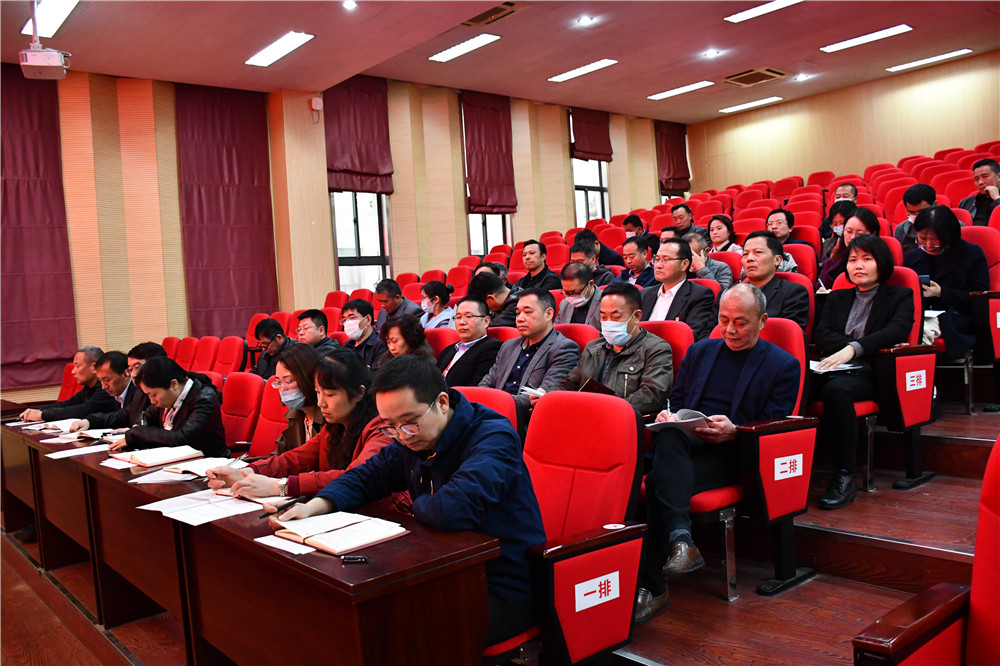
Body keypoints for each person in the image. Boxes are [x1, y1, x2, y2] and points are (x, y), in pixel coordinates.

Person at [268, 355, 546, 646]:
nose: (401, 435)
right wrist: (314, 506)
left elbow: (450, 510)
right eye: (390, 426)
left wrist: (417, 503)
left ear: (442, 403)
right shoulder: (412, 439)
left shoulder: (493, 437)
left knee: (393, 631)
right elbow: (366, 477)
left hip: (500, 586)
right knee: (345, 613)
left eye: (410, 423)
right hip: (439, 570)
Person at [634, 284, 800, 624]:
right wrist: (669, 415)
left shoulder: (783, 364)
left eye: (741, 322)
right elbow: (679, 400)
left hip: (732, 454)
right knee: (669, 436)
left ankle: (655, 583)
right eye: (724, 320)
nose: (730, 330)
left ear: (762, 321)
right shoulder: (700, 352)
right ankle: (679, 541)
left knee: (659, 483)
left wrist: (735, 431)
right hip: (686, 444)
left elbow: (775, 425)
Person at [207, 349, 407, 511]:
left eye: (330, 394)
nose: (321, 403)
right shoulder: (336, 426)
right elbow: (296, 458)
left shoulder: (382, 429)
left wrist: (281, 486)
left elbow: (355, 478)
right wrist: (246, 472)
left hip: (388, 517)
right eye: (318, 392)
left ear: (359, 393)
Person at [812, 235, 915, 510]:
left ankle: (844, 475)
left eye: (867, 259)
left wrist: (854, 349)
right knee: (795, 382)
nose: (858, 265)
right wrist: (850, 347)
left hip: (872, 374)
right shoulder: (837, 297)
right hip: (832, 368)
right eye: (853, 260)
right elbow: (821, 334)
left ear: (881, 263)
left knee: (835, 392)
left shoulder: (900, 296)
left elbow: (896, 330)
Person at [547, 282, 673, 416]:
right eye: (603, 317)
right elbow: (570, 383)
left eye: (616, 317)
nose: (608, 322)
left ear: (636, 316)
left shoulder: (656, 349)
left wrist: (604, 409)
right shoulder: (593, 348)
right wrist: (548, 396)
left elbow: (651, 396)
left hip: (621, 419)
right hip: (585, 415)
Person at [479, 289, 581, 435]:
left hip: (526, 425)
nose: (520, 319)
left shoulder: (564, 348)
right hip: (492, 416)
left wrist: (496, 405)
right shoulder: (508, 346)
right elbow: (487, 383)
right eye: (517, 313)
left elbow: (542, 396)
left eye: (527, 312)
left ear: (548, 314)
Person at [904, 206, 990, 357]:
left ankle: (918, 370)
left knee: (919, 332)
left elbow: (980, 300)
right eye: (923, 239)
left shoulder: (972, 254)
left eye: (935, 240)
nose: (928, 245)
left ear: (949, 236)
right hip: (919, 314)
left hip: (954, 316)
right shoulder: (913, 257)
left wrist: (941, 293)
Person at [122, 356, 229, 457]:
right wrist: (139, 428)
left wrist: (140, 433)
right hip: (177, 459)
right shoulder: (167, 398)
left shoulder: (204, 399)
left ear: (173, 384)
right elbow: (146, 415)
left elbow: (182, 438)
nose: (152, 401)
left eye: (153, 395)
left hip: (208, 462)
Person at [640, 239, 716, 341]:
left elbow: (690, 336)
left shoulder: (700, 295)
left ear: (684, 264)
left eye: (666, 260)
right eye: (656, 259)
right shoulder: (645, 294)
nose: (658, 265)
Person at [20, 346, 117, 422]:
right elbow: (69, 403)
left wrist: (43, 415)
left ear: (94, 367)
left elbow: (83, 410)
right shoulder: (90, 387)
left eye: (77, 366)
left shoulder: (106, 388)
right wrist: (39, 410)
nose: (73, 371)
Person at [741, 231, 810, 333]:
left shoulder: (794, 293)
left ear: (777, 260)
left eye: (758, 252)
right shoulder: (729, 294)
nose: (749, 259)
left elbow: (790, 335)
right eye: (745, 254)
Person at [69, 351, 148, 432]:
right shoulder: (116, 393)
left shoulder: (140, 393)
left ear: (125, 374)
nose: (104, 387)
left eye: (107, 380)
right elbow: (119, 416)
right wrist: (88, 422)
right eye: (100, 381)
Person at [269, 343, 323, 454]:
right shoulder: (296, 415)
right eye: (278, 382)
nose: (282, 389)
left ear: (310, 379)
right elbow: (282, 454)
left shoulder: (330, 417)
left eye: (289, 381)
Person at [437, 297, 502, 387]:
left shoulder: (492, 348)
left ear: (486, 321)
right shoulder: (448, 350)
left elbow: (477, 386)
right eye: (458, 317)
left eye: (469, 316)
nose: (462, 322)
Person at [818, 207, 880, 290]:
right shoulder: (830, 263)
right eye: (849, 232)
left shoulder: (879, 262)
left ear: (873, 234)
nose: (852, 237)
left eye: (860, 234)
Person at [341, 299, 389, 371]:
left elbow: (377, 375)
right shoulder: (347, 346)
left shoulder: (381, 345)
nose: (347, 323)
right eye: (345, 319)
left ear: (368, 319)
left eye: (352, 318)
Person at [555, 262, 602, 330]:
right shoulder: (564, 304)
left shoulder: (605, 303)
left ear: (591, 284)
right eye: (567, 292)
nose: (571, 297)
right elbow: (556, 330)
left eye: (575, 292)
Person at [895, 184, 937, 255]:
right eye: (912, 212)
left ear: (935, 204)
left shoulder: (950, 225)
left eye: (922, 211)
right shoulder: (901, 230)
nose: (917, 216)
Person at [959, 158, 1000, 226]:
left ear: (999, 177)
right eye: (976, 179)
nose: (980, 182)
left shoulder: (997, 198)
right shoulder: (966, 202)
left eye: (985, 176)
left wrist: (997, 198)